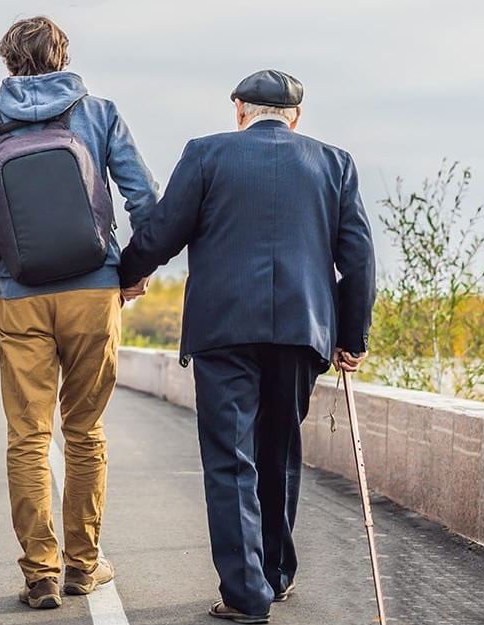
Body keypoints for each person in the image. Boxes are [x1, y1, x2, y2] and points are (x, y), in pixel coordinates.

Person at [118, 70, 376, 624]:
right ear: (296, 116)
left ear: (239, 110)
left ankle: (245, 594)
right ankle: (276, 575)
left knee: (230, 461)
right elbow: (356, 256)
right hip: (302, 334)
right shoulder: (335, 163)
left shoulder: (207, 155)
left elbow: (163, 231)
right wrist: (352, 338)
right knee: (278, 453)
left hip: (224, 331)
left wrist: (125, 276)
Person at [0, 15, 158, 610]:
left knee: (27, 437)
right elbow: (143, 197)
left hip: (21, 296)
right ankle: (83, 565)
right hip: (94, 291)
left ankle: (40, 572)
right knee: (85, 432)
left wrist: (11, 249)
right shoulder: (99, 112)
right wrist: (132, 270)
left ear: (8, 61)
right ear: (63, 55)